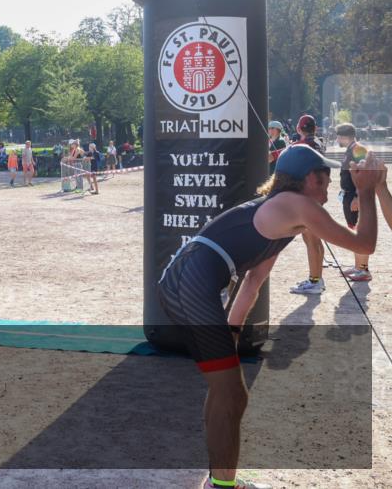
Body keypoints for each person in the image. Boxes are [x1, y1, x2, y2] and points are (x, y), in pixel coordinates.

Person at [157, 145, 383, 489]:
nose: (326, 193)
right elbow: (364, 244)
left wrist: (232, 331)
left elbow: (253, 282)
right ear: (310, 179)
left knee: (227, 392)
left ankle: (219, 481)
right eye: (324, 183)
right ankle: (220, 485)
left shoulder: (281, 216)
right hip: (189, 283)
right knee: (231, 393)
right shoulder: (297, 205)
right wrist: (366, 192)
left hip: (189, 280)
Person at [289, 114, 328, 295]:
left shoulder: (300, 146)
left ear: (298, 129)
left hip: (307, 198)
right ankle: (317, 277)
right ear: (315, 128)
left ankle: (314, 281)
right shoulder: (319, 143)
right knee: (314, 238)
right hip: (318, 196)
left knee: (311, 239)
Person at [334, 123, 372, 281]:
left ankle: (364, 270)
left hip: (356, 196)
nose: (337, 139)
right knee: (355, 230)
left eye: (338, 136)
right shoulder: (351, 149)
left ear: (344, 136)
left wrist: (357, 196)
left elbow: (363, 173)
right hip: (349, 195)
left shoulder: (358, 149)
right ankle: (358, 267)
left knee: (360, 232)